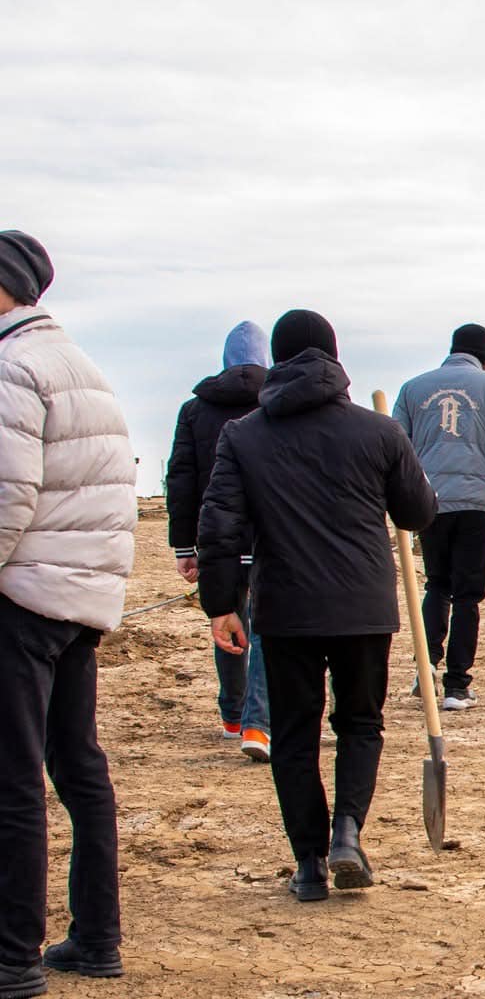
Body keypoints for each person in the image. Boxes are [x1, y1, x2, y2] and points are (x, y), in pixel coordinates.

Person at [198, 309, 437, 901]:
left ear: (277, 361)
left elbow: (219, 526)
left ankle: (309, 863)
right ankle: (347, 832)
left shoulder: (244, 435)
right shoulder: (378, 431)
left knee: (294, 734)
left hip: (287, 609)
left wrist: (221, 604)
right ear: (334, 357)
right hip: (363, 605)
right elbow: (418, 512)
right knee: (360, 723)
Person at [0, 230, 135, 999]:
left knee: (13, 775)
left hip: (24, 596)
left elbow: (8, 491)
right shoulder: (80, 366)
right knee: (77, 766)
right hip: (81, 601)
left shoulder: (14, 366)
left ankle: (11, 955)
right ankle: (96, 935)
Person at [393, 323, 485, 710]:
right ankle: (457, 685)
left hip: (430, 501)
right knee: (468, 595)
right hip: (476, 504)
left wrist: (411, 495)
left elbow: (398, 449)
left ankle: (426, 668)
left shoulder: (413, 388)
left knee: (437, 584)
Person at [167, 320, 272, 758]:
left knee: (226, 619)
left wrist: (185, 546)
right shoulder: (277, 402)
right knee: (265, 627)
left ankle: (233, 715)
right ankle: (257, 724)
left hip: (216, 536)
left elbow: (181, 480)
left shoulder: (195, 410)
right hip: (268, 536)